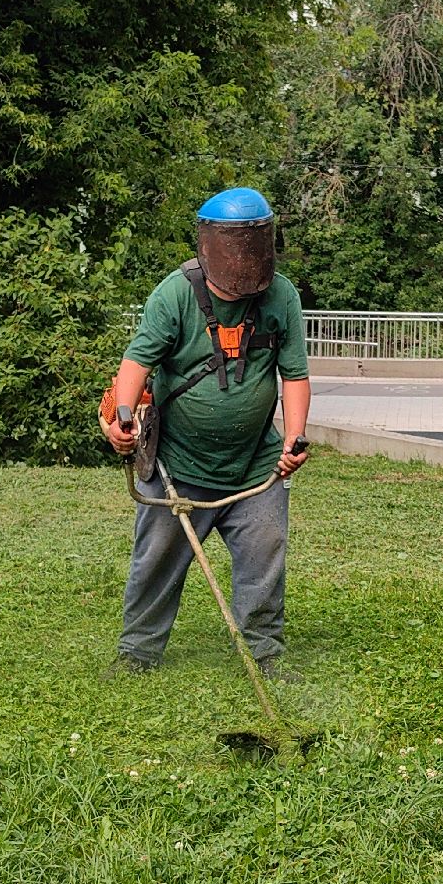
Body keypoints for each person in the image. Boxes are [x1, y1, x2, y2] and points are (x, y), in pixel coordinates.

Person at [102, 187, 311, 676]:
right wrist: (124, 415)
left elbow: (295, 375)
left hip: (255, 466)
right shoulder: (175, 294)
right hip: (178, 463)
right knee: (154, 562)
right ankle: (138, 654)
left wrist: (294, 440)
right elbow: (137, 360)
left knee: (265, 560)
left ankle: (266, 655)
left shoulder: (282, 295)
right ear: (211, 246)